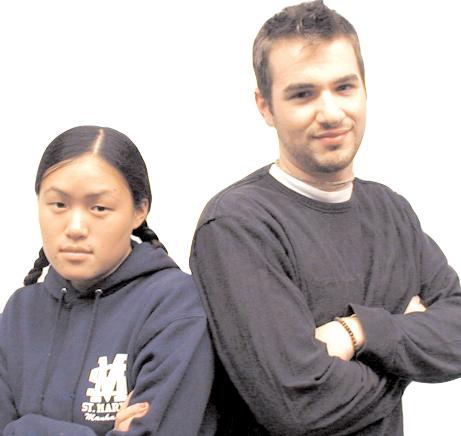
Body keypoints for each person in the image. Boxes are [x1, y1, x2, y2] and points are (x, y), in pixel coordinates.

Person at [190, 1, 461, 435]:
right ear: (265, 106)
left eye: (344, 87)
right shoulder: (238, 225)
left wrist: (360, 331)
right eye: (303, 94)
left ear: (365, 89)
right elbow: (300, 406)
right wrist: (405, 352)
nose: (331, 112)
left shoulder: (392, 212)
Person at [0, 126, 215, 435]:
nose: (75, 227)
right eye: (58, 205)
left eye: (99, 208)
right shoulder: (20, 312)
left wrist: (23, 428)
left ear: (139, 211)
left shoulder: (175, 307)